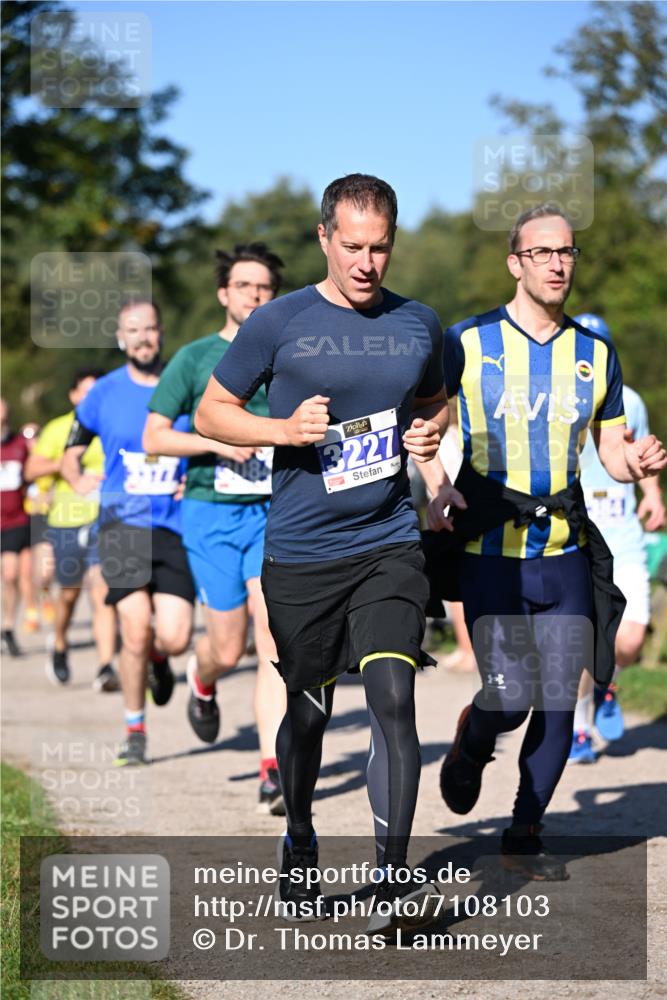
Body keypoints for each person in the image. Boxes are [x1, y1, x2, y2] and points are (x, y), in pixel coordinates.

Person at [196, 173, 447, 931]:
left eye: (380, 247)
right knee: (307, 712)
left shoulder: (419, 323)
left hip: (387, 542)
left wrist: (429, 437)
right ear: (324, 239)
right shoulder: (279, 321)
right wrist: (281, 432)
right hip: (303, 551)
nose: (367, 263)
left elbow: (436, 398)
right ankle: (300, 831)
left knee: (393, 698)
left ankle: (390, 880)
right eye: (352, 246)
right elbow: (213, 411)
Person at [423, 203, 666, 879]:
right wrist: (435, 480)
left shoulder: (594, 354)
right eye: (542, 252)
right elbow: (421, 420)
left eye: (566, 253)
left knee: (560, 696)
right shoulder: (465, 342)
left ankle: (524, 829)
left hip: (562, 549)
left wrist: (636, 465)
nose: (557, 263)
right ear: (514, 262)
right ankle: (471, 741)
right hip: (487, 552)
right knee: (507, 697)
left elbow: (611, 453)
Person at [143, 243, 287, 814]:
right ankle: (202, 681)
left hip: (273, 511)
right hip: (211, 513)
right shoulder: (195, 357)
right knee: (226, 648)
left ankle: (272, 769)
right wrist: (214, 440)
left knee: (272, 638)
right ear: (224, 294)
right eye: (244, 286)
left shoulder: (292, 353)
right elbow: (155, 436)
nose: (255, 295)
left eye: (264, 287)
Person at [62, 301, 195, 766]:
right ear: (121, 338)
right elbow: (71, 452)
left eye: (150, 329)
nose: (142, 338)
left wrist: (190, 477)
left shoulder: (185, 384)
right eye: (133, 330)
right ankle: (135, 730)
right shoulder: (103, 392)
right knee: (135, 628)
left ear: (161, 333)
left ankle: (161, 662)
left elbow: (206, 442)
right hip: (122, 523)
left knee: (176, 638)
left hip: (175, 525)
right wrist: (78, 480)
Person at [568, 313, 665, 762]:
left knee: (627, 640)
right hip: (581, 539)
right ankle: (581, 727)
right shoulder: (561, 400)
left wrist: (653, 495)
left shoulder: (631, 402)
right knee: (588, 637)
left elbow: (641, 454)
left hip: (623, 533)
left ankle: (609, 685)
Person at [25, 368, 119, 691]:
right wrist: (65, 465)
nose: (92, 398)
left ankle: (106, 666)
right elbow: (31, 468)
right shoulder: (58, 428)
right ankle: (61, 641)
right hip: (66, 519)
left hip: (106, 518)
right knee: (69, 593)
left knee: (102, 589)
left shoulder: (112, 423)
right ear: (73, 396)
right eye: (86, 392)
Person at [0, 399, 33, 656]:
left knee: (18, 575)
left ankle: (8, 626)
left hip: (19, 519)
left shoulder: (20, 445)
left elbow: (32, 475)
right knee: (9, 575)